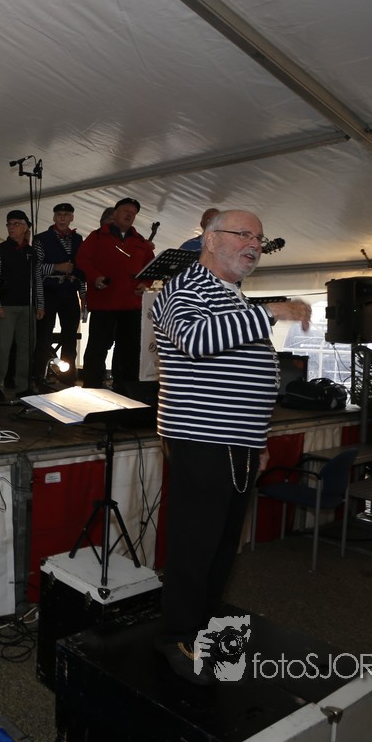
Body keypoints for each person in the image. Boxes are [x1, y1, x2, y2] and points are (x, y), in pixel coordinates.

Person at [150, 209, 312, 683]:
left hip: (237, 441)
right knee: (195, 544)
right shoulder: (185, 287)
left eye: (259, 237)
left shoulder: (230, 294)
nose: (255, 244)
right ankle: (177, 637)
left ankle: (202, 627)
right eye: (243, 234)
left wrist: (257, 441)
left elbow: (246, 374)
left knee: (222, 546)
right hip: (201, 437)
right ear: (210, 239)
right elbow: (196, 341)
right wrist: (270, 311)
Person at [75, 197, 154, 389]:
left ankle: (126, 390)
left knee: (130, 351)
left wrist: (145, 283)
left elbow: (150, 267)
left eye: (133, 213)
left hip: (131, 305)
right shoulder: (97, 237)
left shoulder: (140, 241)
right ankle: (92, 388)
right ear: (115, 213)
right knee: (98, 348)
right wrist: (95, 277)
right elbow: (82, 261)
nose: (129, 215)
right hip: (104, 303)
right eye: (126, 211)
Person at [0, 210, 44, 401]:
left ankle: (23, 386)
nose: (12, 227)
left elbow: (37, 279)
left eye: (16, 224)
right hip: (6, 306)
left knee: (26, 349)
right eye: (9, 224)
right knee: (3, 348)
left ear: (26, 227)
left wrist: (40, 304)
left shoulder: (32, 252)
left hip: (28, 306)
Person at [33, 203, 85, 387]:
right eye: (59, 214)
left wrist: (83, 296)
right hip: (49, 291)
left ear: (72, 218)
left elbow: (81, 270)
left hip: (70, 292)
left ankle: (68, 377)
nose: (62, 218)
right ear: (54, 217)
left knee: (70, 336)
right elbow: (35, 268)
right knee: (44, 336)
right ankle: (39, 375)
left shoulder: (78, 239)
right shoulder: (41, 239)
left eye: (66, 215)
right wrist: (56, 267)